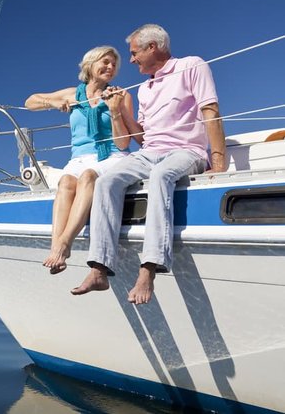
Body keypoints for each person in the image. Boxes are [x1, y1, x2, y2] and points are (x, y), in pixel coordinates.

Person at [74, 24, 227, 304]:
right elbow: (142, 137)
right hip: (150, 151)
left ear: (152, 47)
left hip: (186, 150)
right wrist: (118, 110)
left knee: (160, 176)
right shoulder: (144, 89)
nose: (130, 60)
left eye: (134, 53)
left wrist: (218, 163)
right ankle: (99, 269)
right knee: (106, 181)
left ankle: (148, 269)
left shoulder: (191, 65)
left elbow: (210, 110)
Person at [25, 46, 138, 274]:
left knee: (88, 177)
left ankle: (64, 244)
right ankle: (56, 246)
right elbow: (30, 101)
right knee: (66, 182)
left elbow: (125, 143)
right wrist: (53, 103)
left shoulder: (121, 95)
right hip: (79, 157)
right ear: (90, 65)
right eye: (105, 62)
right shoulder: (71, 94)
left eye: (114, 64)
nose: (110, 67)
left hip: (111, 155)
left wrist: (115, 111)